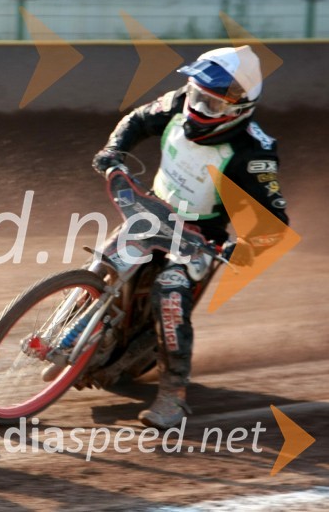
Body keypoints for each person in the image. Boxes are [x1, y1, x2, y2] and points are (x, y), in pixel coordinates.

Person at [91, 46, 289, 429]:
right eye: (197, 95)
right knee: (104, 258)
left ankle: (172, 396)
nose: (198, 108)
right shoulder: (178, 102)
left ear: (239, 108)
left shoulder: (254, 152)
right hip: (151, 211)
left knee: (170, 292)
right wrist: (114, 150)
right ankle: (78, 322)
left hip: (201, 237)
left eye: (212, 105)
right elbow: (136, 119)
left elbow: (274, 221)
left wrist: (241, 250)